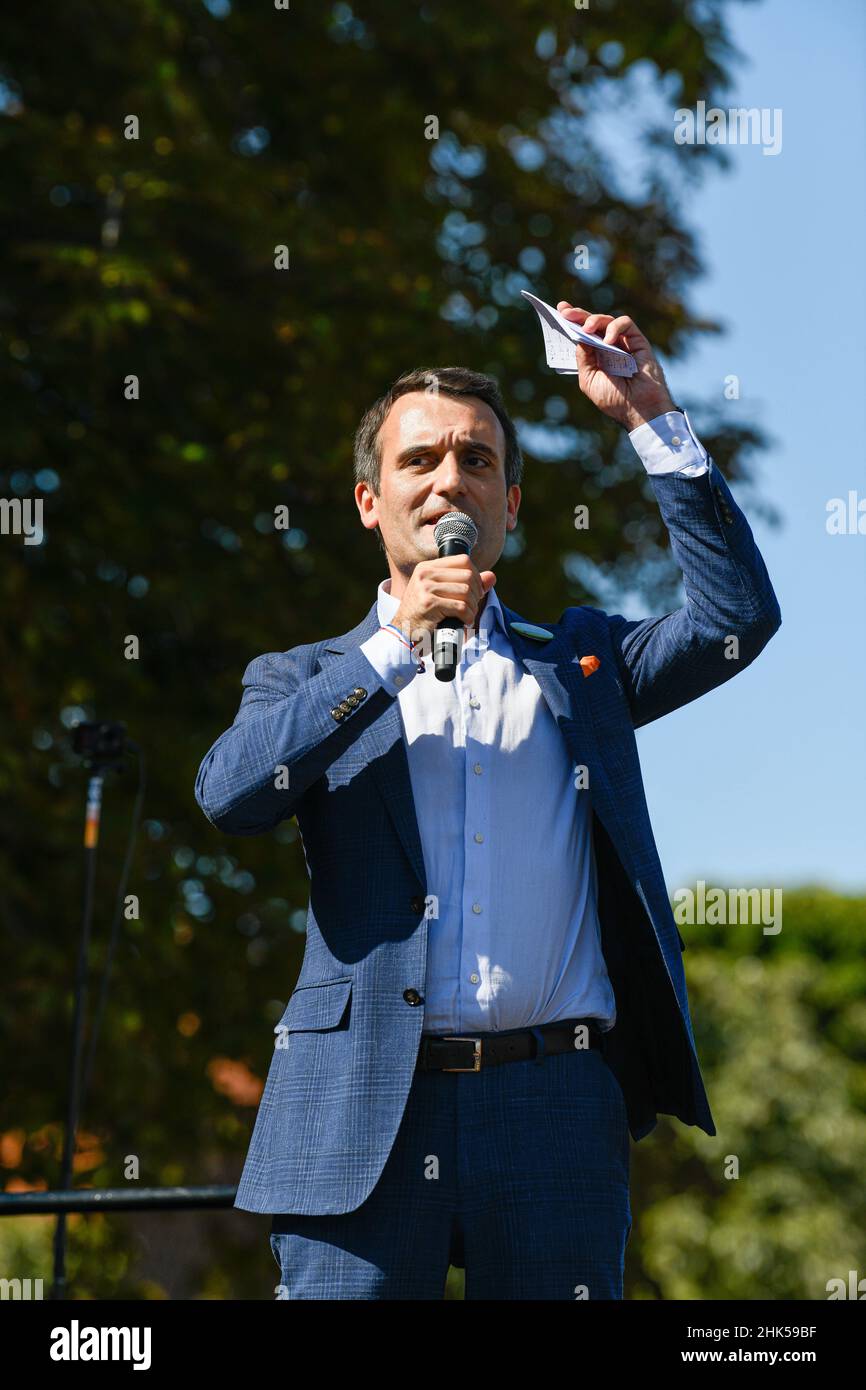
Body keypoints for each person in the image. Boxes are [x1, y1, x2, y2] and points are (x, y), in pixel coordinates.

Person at [194, 305, 781, 1299]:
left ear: (508, 504)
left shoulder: (582, 667)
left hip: (553, 1104)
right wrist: (393, 650)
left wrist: (649, 414)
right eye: (417, 459)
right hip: (363, 1108)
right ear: (368, 502)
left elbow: (735, 618)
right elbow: (233, 794)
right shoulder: (304, 676)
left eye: (474, 459)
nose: (445, 479)